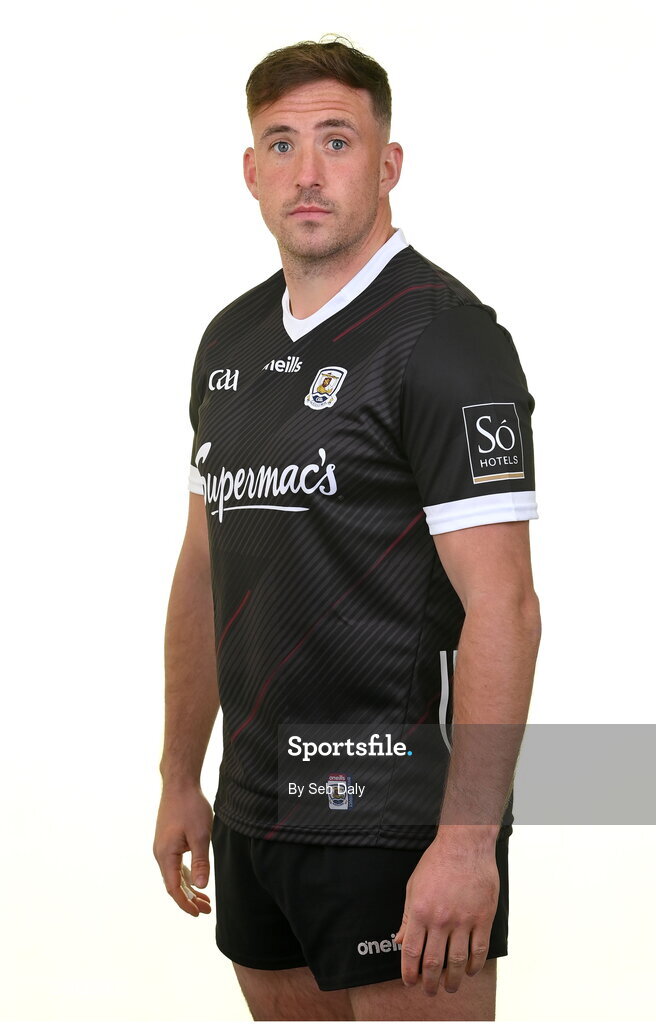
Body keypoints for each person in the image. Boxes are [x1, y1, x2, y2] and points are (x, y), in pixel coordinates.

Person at [153, 35, 541, 1023]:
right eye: (280, 145)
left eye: (337, 139)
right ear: (250, 172)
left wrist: (464, 839)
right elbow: (204, 566)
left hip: (391, 814)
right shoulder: (228, 340)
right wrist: (178, 774)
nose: (309, 171)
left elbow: (504, 605)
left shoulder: (443, 339)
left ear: (386, 164)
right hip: (252, 808)